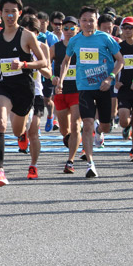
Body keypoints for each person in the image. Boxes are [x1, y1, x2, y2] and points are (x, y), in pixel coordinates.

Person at [0, 0, 47, 188]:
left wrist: (24, 64)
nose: (10, 15)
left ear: (19, 13)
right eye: (6, 12)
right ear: (0, 14)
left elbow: (43, 62)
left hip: (24, 90)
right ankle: (0, 172)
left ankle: (22, 136)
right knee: (0, 123)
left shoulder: (27, 36)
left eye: (13, 12)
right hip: (4, 87)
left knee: (18, 130)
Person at [57, 6, 124, 178]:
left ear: (96, 21)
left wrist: (109, 78)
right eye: (85, 20)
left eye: (91, 20)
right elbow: (66, 61)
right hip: (84, 87)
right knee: (85, 124)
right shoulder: (75, 40)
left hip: (103, 87)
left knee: (106, 126)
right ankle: (90, 163)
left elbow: (120, 60)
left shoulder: (105, 38)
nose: (88, 23)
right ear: (80, 22)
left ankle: (99, 129)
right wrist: (61, 80)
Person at [19, 15, 51, 179]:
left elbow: (49, 72)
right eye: (28, 32)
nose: (32, 36)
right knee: (22, 126)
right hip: (19, 91)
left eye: (35, 33)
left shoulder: (43, 48)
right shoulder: (17, 45)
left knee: (34, 132)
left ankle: (33, 166)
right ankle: (21, 133)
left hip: (37, 92)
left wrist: (34, 64)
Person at [52, 16, 82, 173]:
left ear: (77, 29)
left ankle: (70, 161)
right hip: (60, 92)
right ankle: (70, 139)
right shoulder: (56, 47)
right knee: (65, 130)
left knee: (76, 125)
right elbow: (44, 65)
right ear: (62, 30)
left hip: (77, 91)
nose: (69, 31)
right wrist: (51, 77)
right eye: (66, 28)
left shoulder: (82, 46)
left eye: (72, 28)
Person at [115, 16, 133, 162]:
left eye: (130, 27)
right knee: (124, 121)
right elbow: (114, 64)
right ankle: (127, 128)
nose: (127, 30)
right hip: (124, 88)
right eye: (124, 28)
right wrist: (115, 80)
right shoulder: (120, 46)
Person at [37, 11, 60, 132]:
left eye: (42, 23)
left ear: (47, 23)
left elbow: (55, 55)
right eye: (38, 23)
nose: (40, 26)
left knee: (47, 99)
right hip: (35, 73)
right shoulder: (32, 35)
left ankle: (50, 115)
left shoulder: (52, 37)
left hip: (48, 72)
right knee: (37, 99)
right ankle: (36, 124)